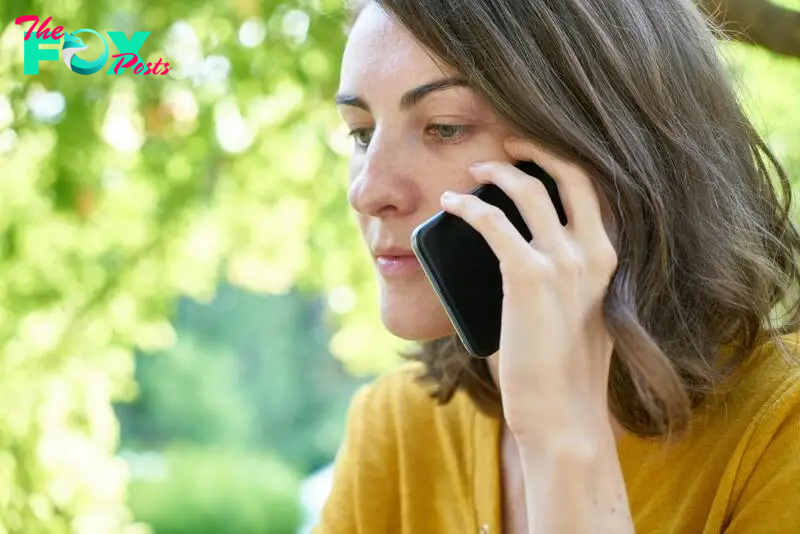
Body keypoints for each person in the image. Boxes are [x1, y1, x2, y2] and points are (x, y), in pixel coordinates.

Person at [316, 0, 800, 532]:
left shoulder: (782, 428)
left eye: (445, 127)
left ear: (608, 152)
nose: (368, 191)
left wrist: (562, 436)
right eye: (361, 133)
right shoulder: (398, 428)